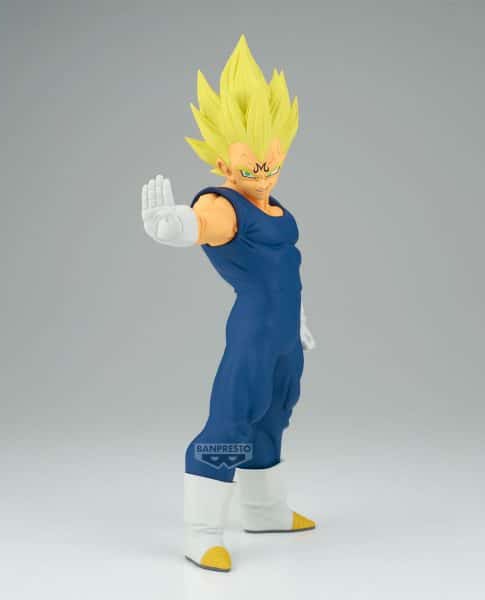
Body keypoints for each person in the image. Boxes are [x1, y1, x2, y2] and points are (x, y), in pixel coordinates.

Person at [141, 35, 316, 573]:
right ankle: (202, 533)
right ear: (223, 162)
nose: (263, 172)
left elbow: (286, 274)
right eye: (251, 165)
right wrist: (175, 226)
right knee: (233, 420)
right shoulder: (223, 204)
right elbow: (203, 224)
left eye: (271, 161)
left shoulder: (277, 207)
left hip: (286, 337)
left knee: (276, 414)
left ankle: (263, 510)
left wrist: (300, 320)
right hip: (255, 334)